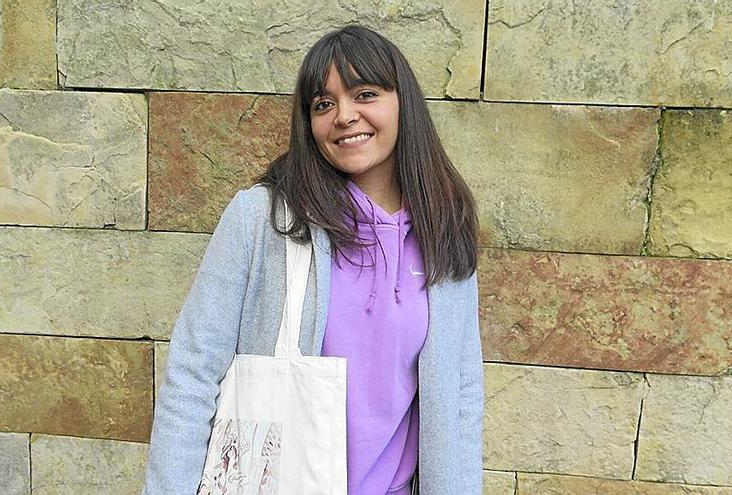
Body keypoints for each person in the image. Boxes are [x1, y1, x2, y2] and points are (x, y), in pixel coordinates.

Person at [143, 24, 483, 495]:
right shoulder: (264, 218)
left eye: (365, 93)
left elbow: (461, 395)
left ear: (403, 103)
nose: (344, 115)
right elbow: (192, 375)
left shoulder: (443, 228)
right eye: (324, 104)